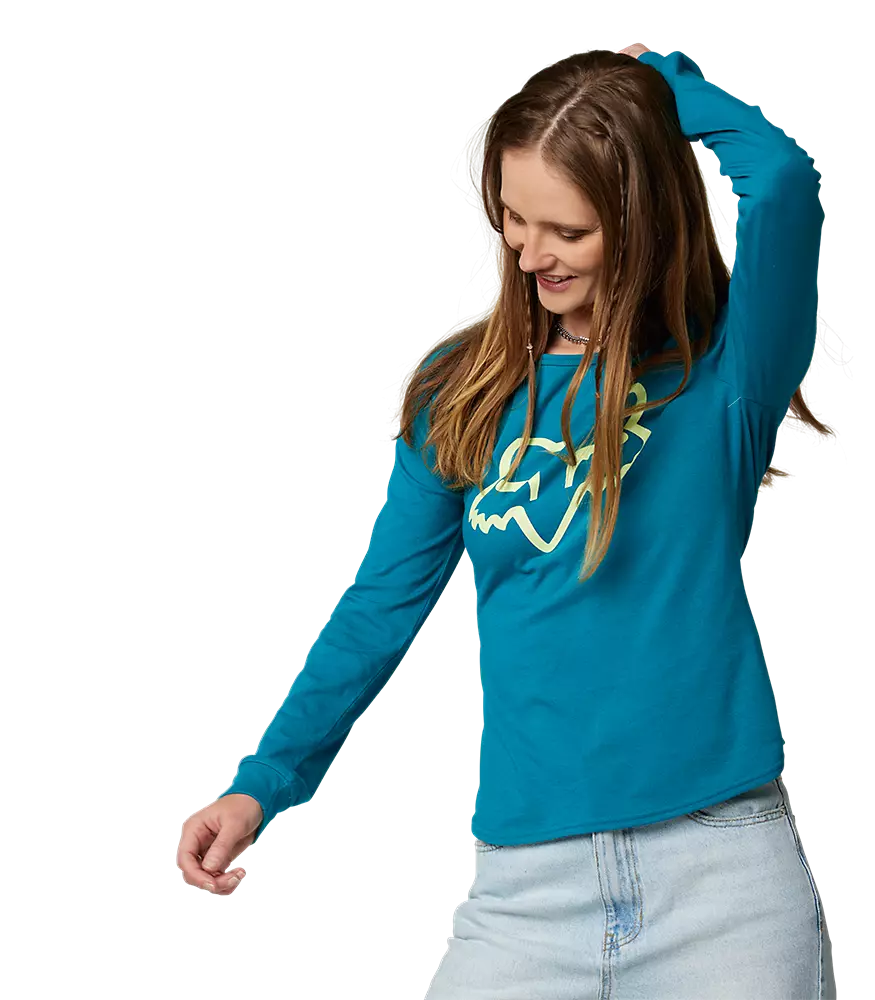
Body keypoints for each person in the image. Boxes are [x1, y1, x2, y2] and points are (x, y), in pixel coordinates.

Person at [177, 43, 839, 998]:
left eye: (567, 229)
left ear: (641, 217)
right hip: (526, 889)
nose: (530, 254)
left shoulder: (725, 373)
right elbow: (379, 607)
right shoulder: (463, 392)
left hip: (724, 877)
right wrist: (264, 782)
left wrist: (667, 90)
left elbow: (779, 179)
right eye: (514, 219)